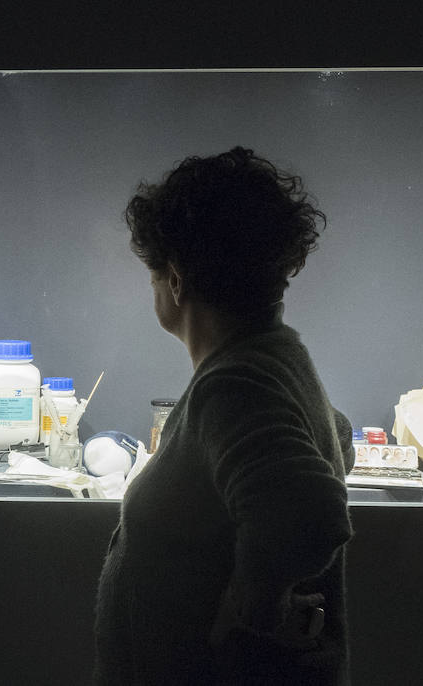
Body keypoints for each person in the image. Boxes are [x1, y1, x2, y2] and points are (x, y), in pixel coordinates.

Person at [95, 147, 355, 685]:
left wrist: (251, 609)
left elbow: (310, 512)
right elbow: (338, 438)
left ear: (175, 279)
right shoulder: (280, 355)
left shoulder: (234, 384)